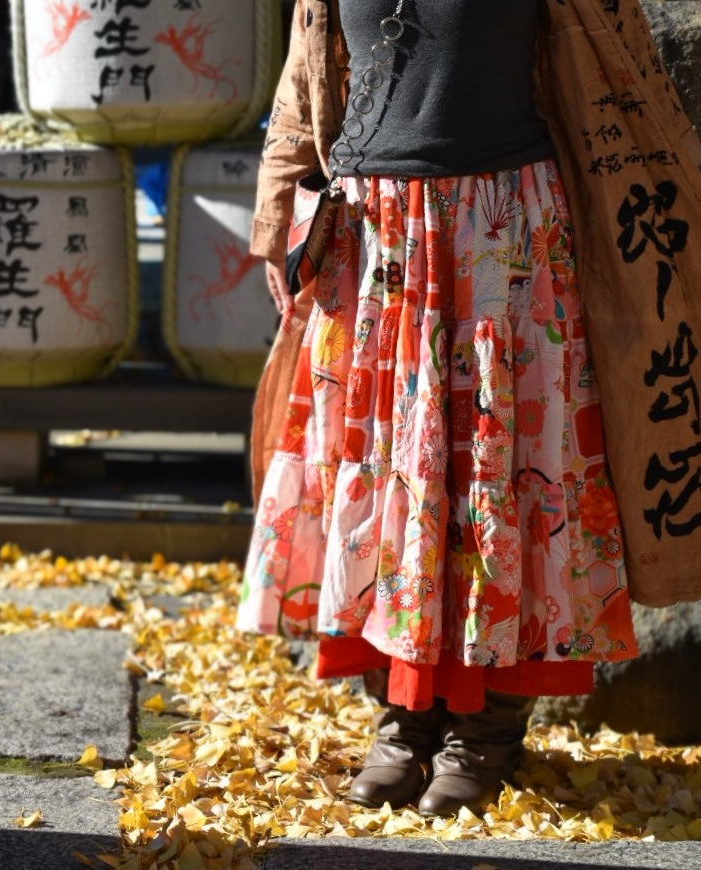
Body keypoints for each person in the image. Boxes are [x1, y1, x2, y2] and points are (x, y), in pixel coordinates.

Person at [237, 0, 701, 816]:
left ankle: (483, 732)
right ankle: (401, 722)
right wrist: (277, 205)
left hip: (504, 227)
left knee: (500, 471)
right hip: (373, 233)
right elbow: (306, 62)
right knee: (386, 477)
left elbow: (618, 64)